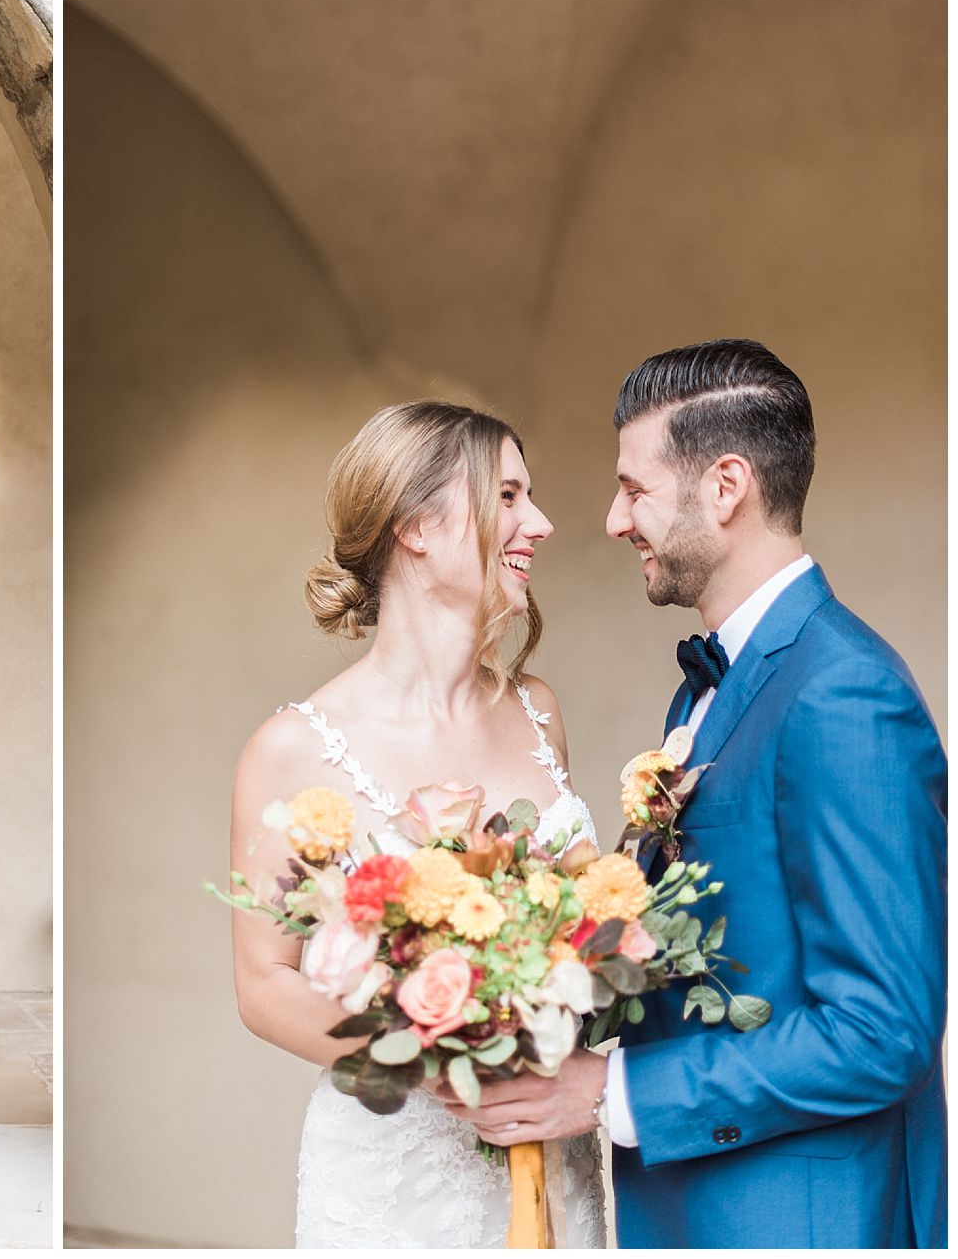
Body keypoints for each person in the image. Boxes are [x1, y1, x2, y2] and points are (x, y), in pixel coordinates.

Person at [441, 339, 947, 1247]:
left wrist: (609, 1092)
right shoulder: (709, 687)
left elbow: (886, 1029)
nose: (611, 519)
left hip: (799, 1221)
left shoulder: (843, 693)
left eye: (633, 489)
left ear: (725, 488)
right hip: (688, 1210)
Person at [230, 401, 606, 1247]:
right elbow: (264, 985)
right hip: (394, 1163)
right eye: (507, 496)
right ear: (416, 528)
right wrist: (432, 1056)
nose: (539, 523)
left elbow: (585, 914)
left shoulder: (539, 713)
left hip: (547, 1148)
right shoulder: (294, 748)